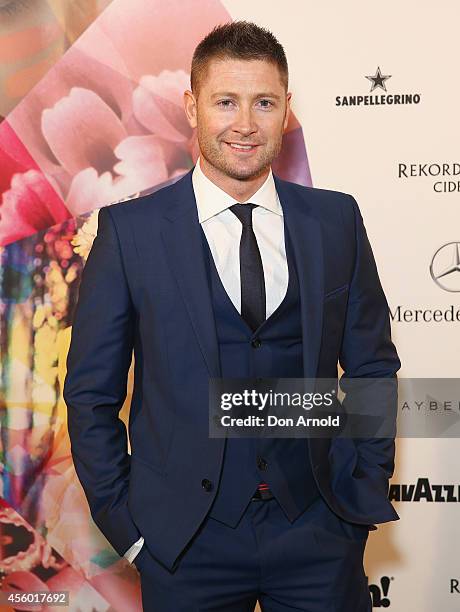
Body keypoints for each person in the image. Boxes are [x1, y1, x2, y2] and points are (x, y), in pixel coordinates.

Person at [63, 20, 401, 612]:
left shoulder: (336, 222)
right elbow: (91, 394)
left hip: (318, 534)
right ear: (192, 107)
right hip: (185, 543)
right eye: (226, 101)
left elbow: (372, 367)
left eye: (264, 103)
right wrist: (130, 529)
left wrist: (361, 493)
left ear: (287, 111)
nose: (245, 124)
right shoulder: (129, 234)